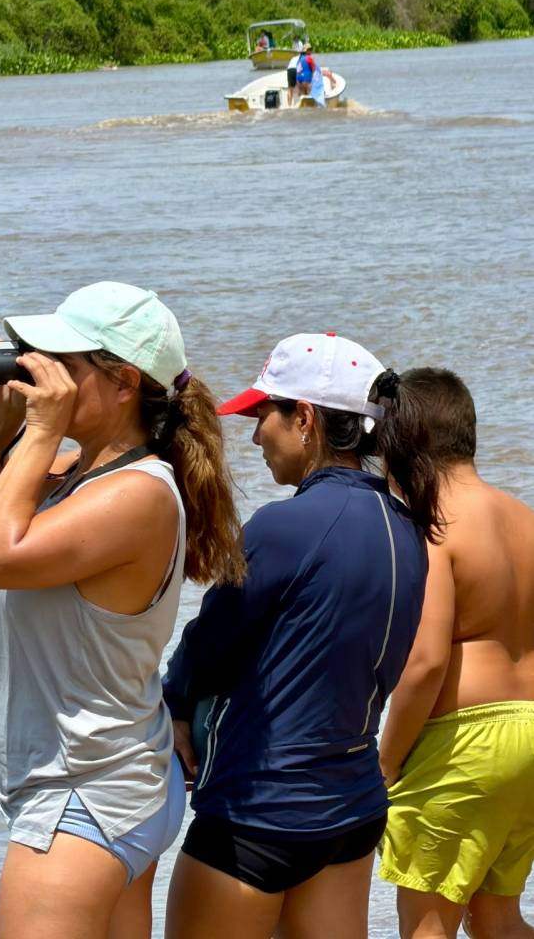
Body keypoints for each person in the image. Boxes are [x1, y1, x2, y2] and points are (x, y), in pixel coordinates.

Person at [0, 281, 246, 939]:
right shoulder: (82, 474)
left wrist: (40, 430)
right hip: (113, 776)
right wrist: (6, 417)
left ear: (123, 383)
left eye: (65, 364)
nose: (43, 374)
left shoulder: (134, 494)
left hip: (85, 792)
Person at [162, 332, 444, 939]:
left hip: (259, 812)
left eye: (264, 413)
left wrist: (177, 704)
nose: (255, 431)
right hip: (352, 808)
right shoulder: (407, 528)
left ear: (306, 418)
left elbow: (210, 641)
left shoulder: (286, 526)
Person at [378, 368, 534, 939]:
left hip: (464, 746)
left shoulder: (436, 526)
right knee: (497, 917)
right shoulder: (524, 518)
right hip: (529, 736)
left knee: (427, 920)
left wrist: (388, 762)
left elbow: (425, 663)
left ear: (400, 445)